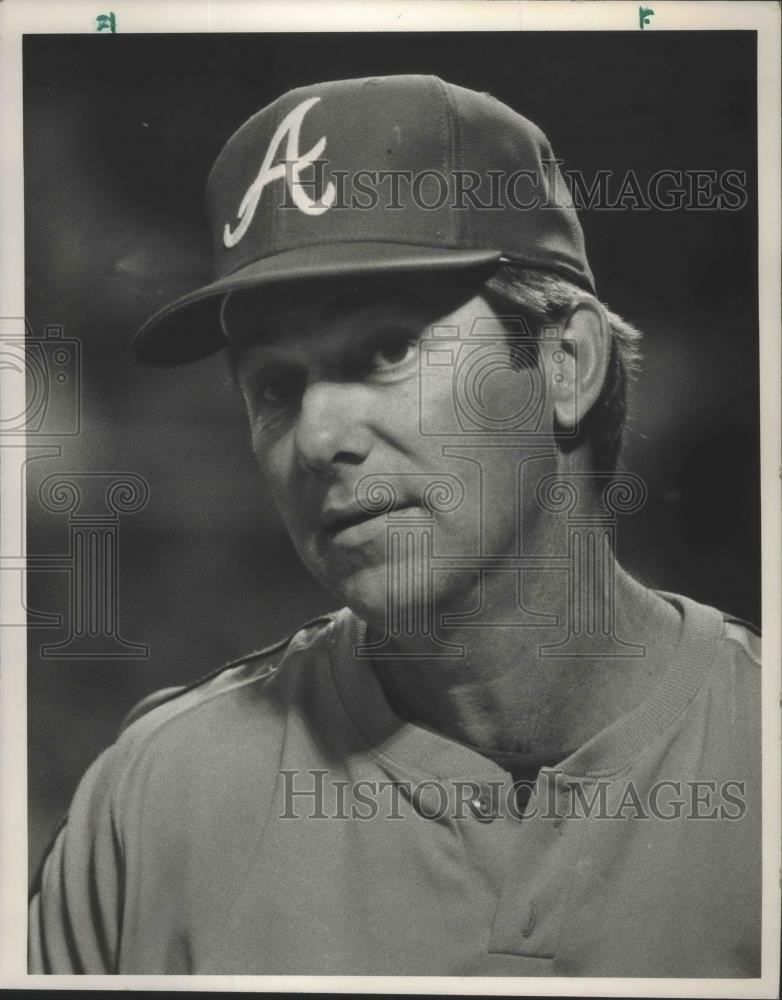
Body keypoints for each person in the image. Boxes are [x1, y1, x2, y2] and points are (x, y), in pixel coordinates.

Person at [28, 75, 761, 977]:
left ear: (565, 363)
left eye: (387, 349)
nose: (319, 436)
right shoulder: (152, 804)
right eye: (273, 387)